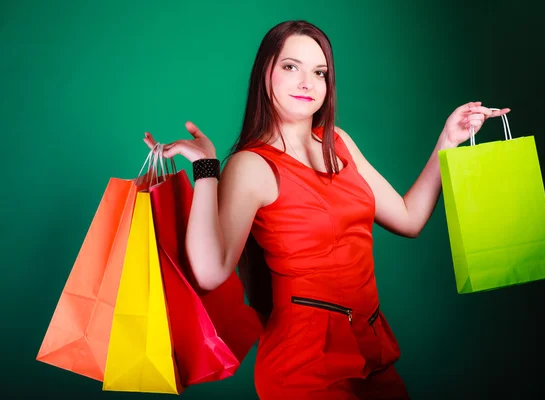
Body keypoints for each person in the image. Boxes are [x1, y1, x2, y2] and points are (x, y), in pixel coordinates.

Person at [143, 20, 509, 400]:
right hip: (303, 365)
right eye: (291, 67)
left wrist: (447, 141)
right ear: (265, 73)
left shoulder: (339, 142)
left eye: (319, 72)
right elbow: (209, 271)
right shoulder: (252, 165)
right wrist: (206, 169)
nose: (307, 82)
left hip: (370, 351)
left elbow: (409, 217)